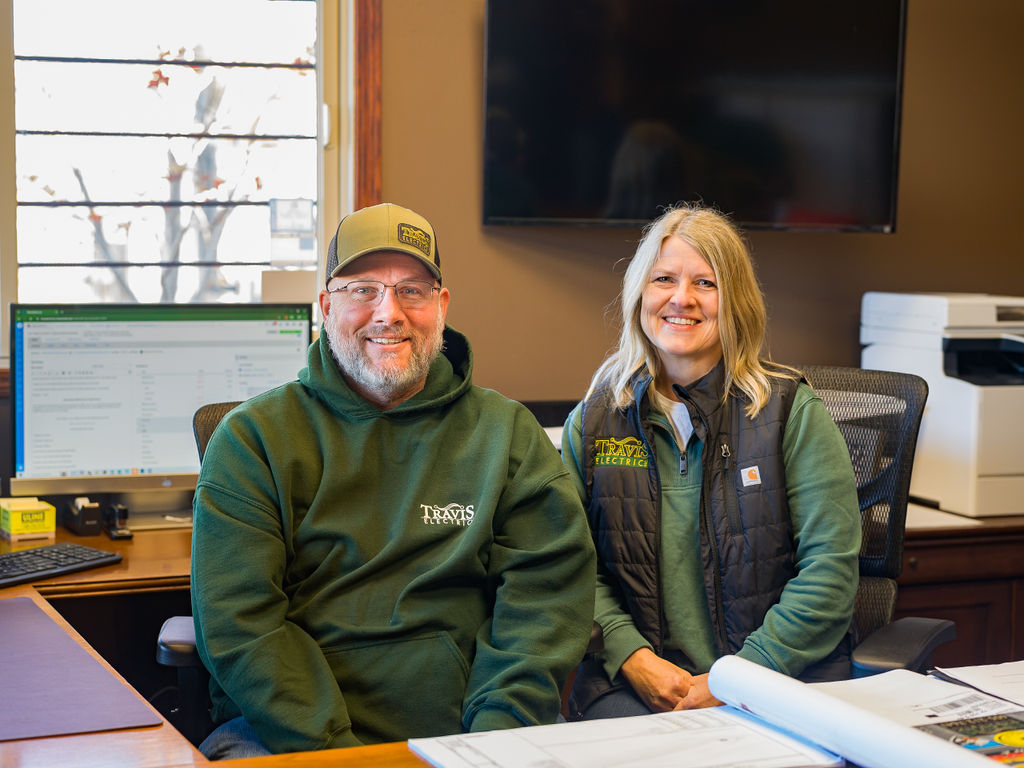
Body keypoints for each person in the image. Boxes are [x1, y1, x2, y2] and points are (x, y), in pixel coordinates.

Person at [191, 202, 597, 758]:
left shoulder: (506, 434)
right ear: (326, 306)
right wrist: (342, 754)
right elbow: (241, 625)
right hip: (290, 735)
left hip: (472, 729)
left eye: (412, 290)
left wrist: (491, 743)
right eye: (363, 290)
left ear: (441, 306)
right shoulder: (252, 439)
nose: (390, 313)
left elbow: (544, 602)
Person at [562, 204, 860, 720]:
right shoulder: (593, 421)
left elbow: (829, 573)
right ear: (640, 294)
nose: (682, 298)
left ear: (735, 301)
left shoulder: (790, 411)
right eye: (664, 279)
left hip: (775, 680)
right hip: (636, 687)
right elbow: (566, 564)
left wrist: (739, 677)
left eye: (706, 282)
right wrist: (632, 657)